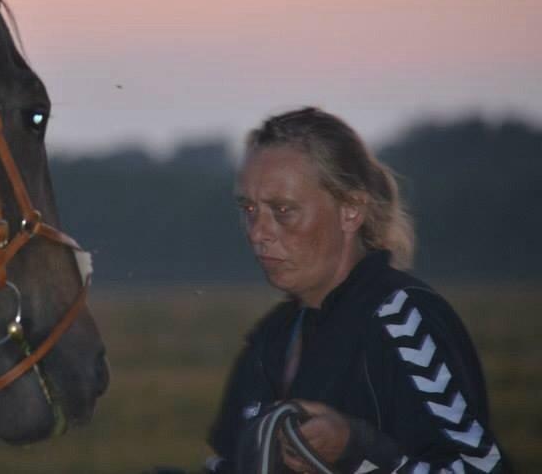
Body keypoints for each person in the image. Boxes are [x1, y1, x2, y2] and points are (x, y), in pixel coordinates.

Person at [205, 107, 509, 473]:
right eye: (250, 208)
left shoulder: (403, 322)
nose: (257, 232)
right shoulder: (270, 339)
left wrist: (358, 451)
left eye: (283, 210)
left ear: (351, 209)